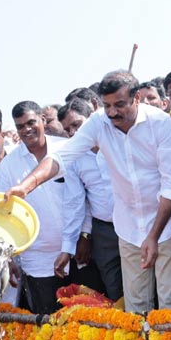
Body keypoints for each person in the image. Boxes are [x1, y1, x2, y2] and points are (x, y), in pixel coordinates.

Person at [7, 71, 171, 314]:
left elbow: (170, 186)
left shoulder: (160, 124)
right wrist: (26, 185)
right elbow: (62, 157)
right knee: (136, 309)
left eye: (120, 105)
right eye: (108, 105)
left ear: (137, 98)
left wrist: (153, 236)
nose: (112, 112)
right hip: (129, 228)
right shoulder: (99, 122)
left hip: (164, 225)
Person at [0, 101, 70, 313]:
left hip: (79, 252)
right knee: (50, 328)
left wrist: (85, 235)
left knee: (91, 321)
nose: (26, 129)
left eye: (31, 122)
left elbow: (83, 196)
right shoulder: (9, 165)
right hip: (39, 261)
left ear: (43, 120)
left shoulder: (65, 148)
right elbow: (3, 214)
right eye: (20, 126)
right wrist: (8, 258)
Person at [56, 98, 124, 301]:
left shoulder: (119, 139)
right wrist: (68, 248)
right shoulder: (73, 157)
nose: (73, 133)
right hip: (104, 230)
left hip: (136, 224)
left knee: (144, 285)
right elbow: (75, 202)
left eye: (77, 124)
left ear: (92, 116)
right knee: (115, 289)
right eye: (68, 129)